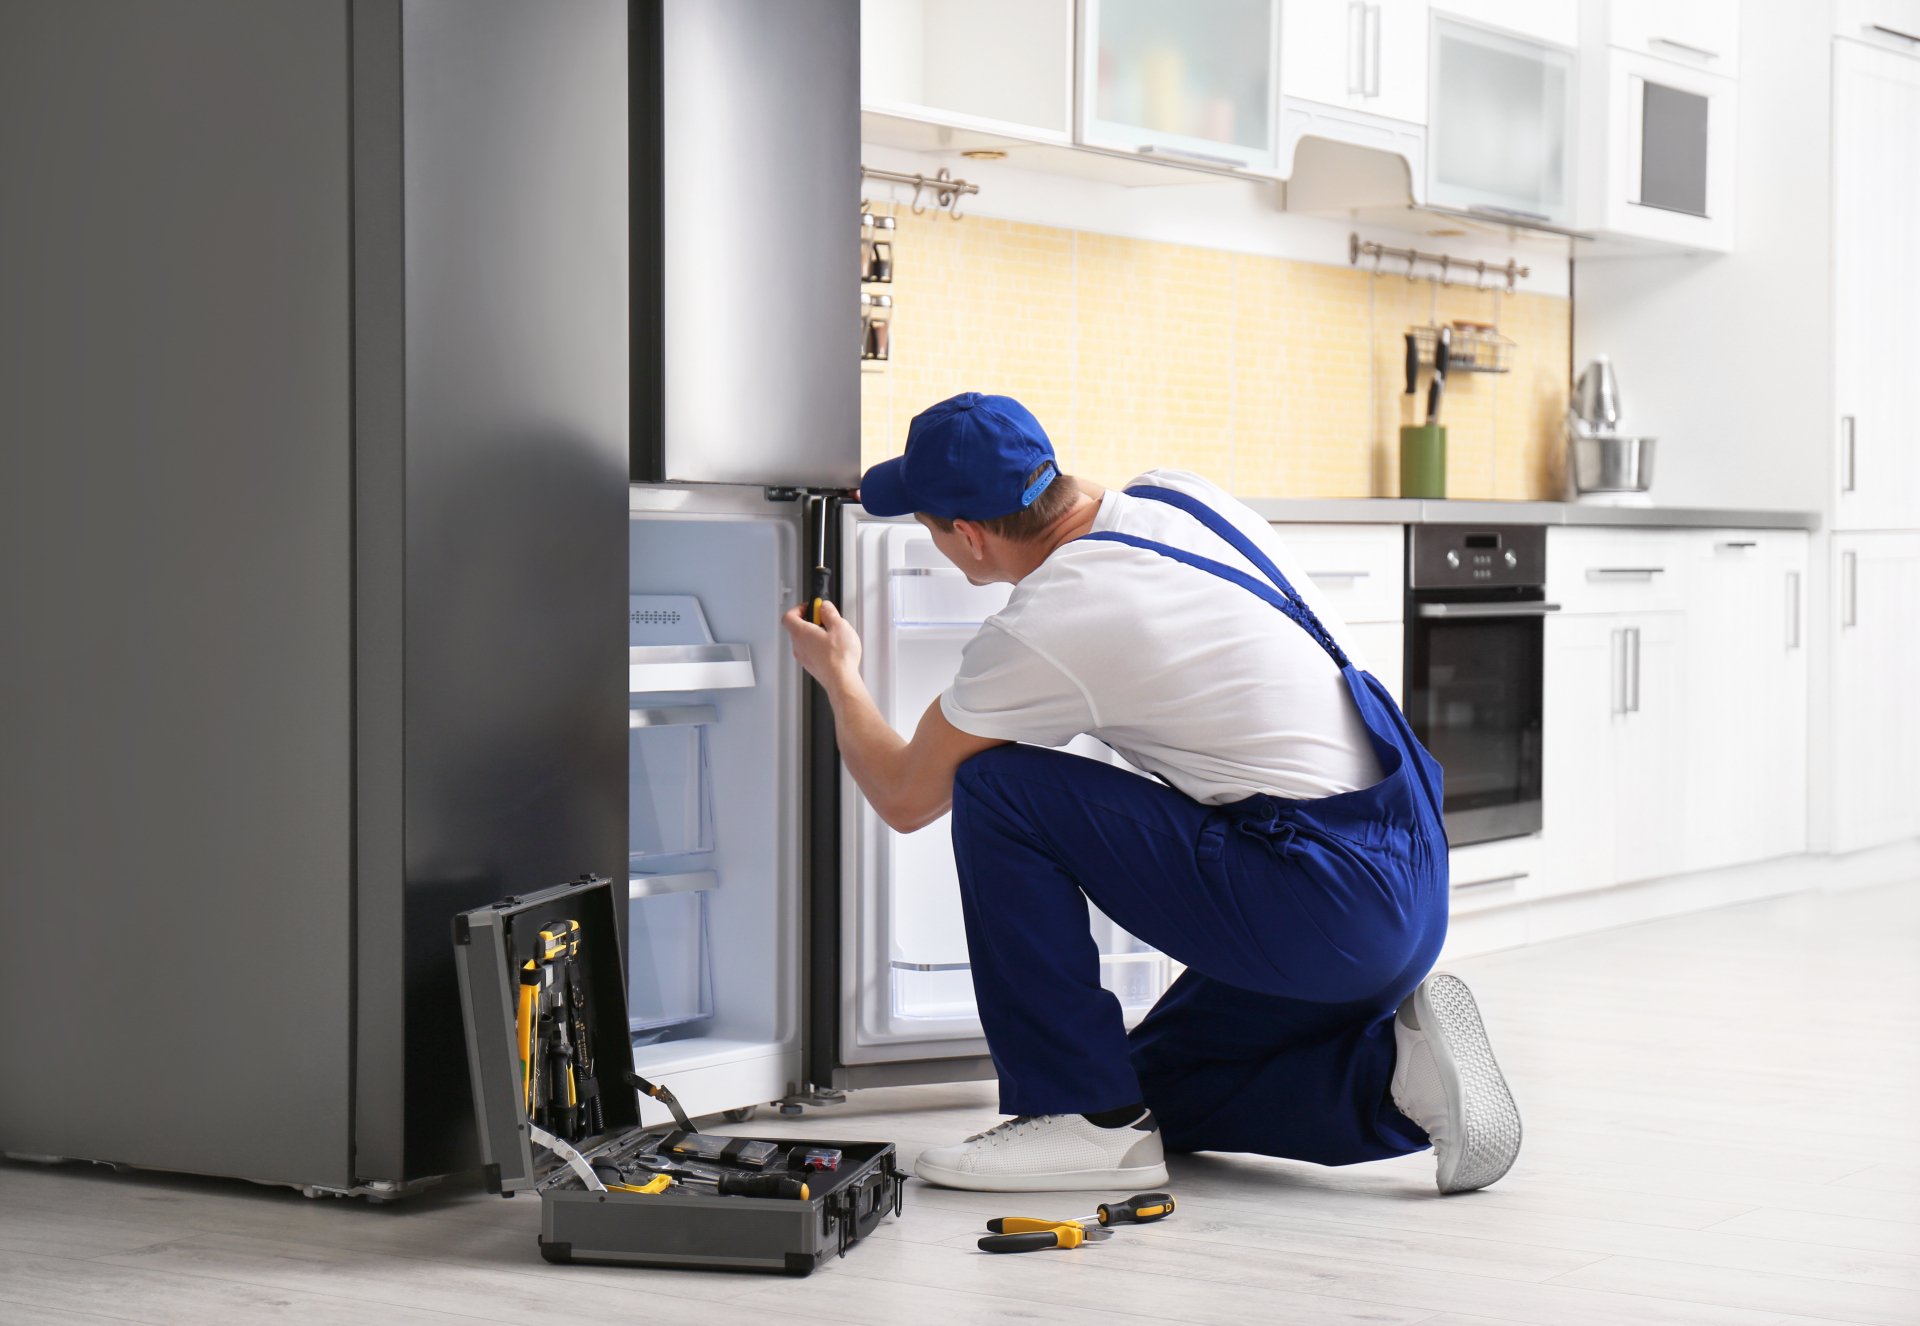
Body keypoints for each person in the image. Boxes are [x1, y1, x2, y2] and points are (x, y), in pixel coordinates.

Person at [781, 392, 1521, 1195]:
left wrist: (841, 677)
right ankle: (1397, 1083)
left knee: (997, 788)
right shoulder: (1179, 495)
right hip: (1405, 875)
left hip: (1321, 902)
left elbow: (903, 795)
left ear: (968, 535)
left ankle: (1076, 1117)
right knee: (1149, 1094)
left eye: (930, 526)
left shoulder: (1051, 618)